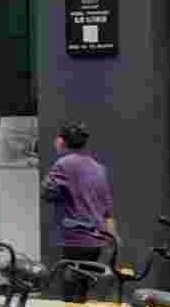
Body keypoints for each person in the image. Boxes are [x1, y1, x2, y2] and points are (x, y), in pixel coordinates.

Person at [41, 121, 115, 287]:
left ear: (62, 141)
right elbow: (107, 207)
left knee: (71, 287)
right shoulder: (98, 167)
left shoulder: (63, 164)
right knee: (83, 285)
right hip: (97, 237)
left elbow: (46, 193)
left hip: (76, 236)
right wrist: (112, 235)